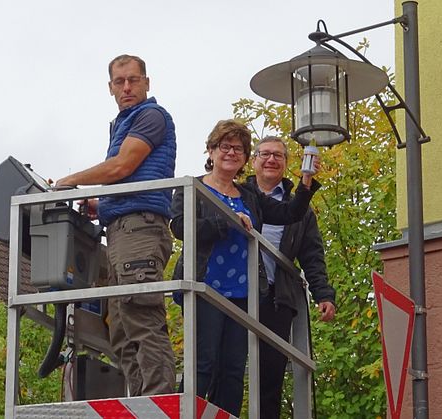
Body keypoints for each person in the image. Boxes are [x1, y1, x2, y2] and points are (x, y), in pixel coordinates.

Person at [169, 120, 320, 416]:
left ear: (244, 157)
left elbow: (291, 212)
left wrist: (305, 181)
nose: (231, 152)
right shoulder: (192, 187)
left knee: (234, 370)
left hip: (242, 293)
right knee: (204, 362)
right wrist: (227, 220)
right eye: (224, 146)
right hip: (205, 287)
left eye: (238, 148)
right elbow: (179, 226)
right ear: (211, 151)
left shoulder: (250, 196)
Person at [54, 54, 176, 396]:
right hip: (124, 229)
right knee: (121, 329)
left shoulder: (150, 116)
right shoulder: (126, 122)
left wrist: (71, 180)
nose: (127, 87)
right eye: (119, 82)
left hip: (140, 231)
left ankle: (158, 401)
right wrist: (102, 204)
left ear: (147, 83)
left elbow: (122, 166)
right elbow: (128, 176)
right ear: (110, 88)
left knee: (142, 317)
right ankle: (139, 401)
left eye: (133, 80)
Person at [243, 136, 336, 419]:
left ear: (285, 164)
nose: (271, 160)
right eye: (265, 154)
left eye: (278, 156)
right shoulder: (238, 194)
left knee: (271, 374)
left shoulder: (300, 209)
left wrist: (323, 294)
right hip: (239, 290)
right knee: (228, 364)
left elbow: (312, 255)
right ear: (254, 160)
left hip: (276, 296)